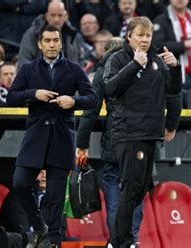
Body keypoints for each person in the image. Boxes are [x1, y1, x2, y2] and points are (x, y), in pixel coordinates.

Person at [77, 37, 182, 247]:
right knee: (136, 193)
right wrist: (171, 123)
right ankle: (130, 240)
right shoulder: (148, 65)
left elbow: (91, 110)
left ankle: (116, 241)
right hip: (142, 138)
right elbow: (172, 96)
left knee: (118, 196)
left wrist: (82, 143)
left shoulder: (105, 70)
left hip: (114, 141)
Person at [7, 24, 97, 248]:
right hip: (35, 136)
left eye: (55, 40)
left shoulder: (74, 69)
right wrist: (33, 94)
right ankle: (39, 227)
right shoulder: (28, 69)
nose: (51, 44)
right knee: (19, 183)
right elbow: (11, 97)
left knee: (56, 197)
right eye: (47, 41)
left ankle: (53, 241)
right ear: (39, 44)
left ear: (61, 43)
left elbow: (92, 98)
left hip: (62, 137)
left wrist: (73, 101)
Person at [103, 16, 182, 248]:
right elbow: (110, 88)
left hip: (150, 133)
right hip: (128, 133)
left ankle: (118, 241)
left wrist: (175, 69)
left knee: (140, 192)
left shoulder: (157, 60)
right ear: (129, 36)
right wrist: (134, 65)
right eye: (140, 35)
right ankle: (122, 241)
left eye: (148, 35)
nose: (145, 40)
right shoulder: (116, 58)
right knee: (130, 190)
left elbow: (174, 90)